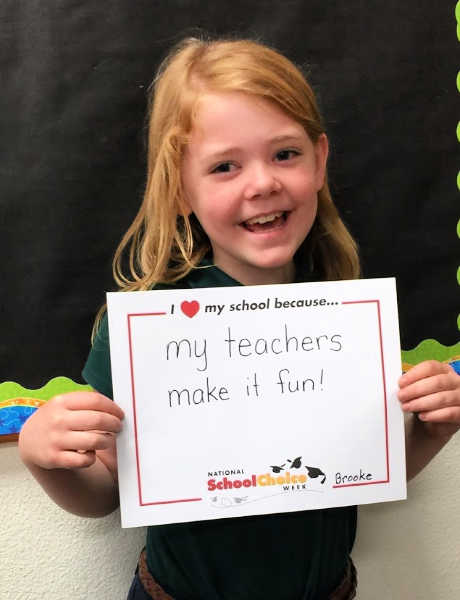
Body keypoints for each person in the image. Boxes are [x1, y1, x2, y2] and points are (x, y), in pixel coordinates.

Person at [18, 36, 460, 600]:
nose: (263, 183)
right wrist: (46, 459)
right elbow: (105, 495)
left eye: (285, 154)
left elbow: (362, 478)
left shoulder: (346, 319)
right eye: (225, 166)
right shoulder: (146, 332)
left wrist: (432, 431)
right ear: (180, 187)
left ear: (320, 161)